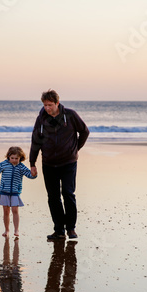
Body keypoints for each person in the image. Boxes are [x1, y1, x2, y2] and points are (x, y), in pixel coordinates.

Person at [29, 89, 90, 240]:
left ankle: (71, 228)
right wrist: (32, 162)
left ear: (57, 102)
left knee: (68, 194)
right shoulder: (41, 118)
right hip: (48, 164)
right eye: (45, 105)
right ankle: (59, 230)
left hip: (68, 162)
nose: (47, 108)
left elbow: (84, 132)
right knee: (53, 197)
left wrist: (75, 148)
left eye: (50, 105)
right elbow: (35, 140)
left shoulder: (70, 115)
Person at [0, 147, 37, 237]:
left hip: (15, 192)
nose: (14, 160)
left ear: (20, 158)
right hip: (4, 191)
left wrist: (34, 174)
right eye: (12, 158)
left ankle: (16, 229)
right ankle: (7, 230)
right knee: (6, 211)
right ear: (8, 157)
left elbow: (29, 175)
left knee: (15, 210)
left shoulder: (21, 167)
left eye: (16, 158)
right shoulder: (3, 164)